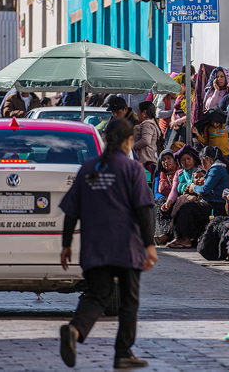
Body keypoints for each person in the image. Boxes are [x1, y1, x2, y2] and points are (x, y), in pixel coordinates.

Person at [58, 117, 157, 369]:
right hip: (127, 247)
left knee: (97, 295)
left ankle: (75, 330)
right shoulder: (134, 170)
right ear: (128, 141)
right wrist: (150, 245)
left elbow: (71, 211)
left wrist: (66, 244)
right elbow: (144, 210)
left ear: (104, 140)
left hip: (95, 246)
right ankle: (123, 352)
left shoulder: (88, 168)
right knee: (129, 300)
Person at [192, 146, 229, 216]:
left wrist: (194, 187)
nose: (202, 164)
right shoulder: (217, 168)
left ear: (207, 158)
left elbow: (205, 189)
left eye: (202, 160)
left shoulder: (217, 169)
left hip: (217, 204)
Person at [153, 149, 178, 245]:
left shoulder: (180, 172)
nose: (166, 161)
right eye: (163, 160)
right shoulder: (159, 174)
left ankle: (169, 235)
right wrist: (164, 200)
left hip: (176, 199)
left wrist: (170, 200)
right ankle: (163, 234)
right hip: (162, 200)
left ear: (175, 160)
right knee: (161, 205)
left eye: (168, 158)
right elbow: (155, 192)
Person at [133, 101, 161, 176]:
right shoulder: (148, 124)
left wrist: (131, 146)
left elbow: (146, 141)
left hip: (146, 164)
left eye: (138, 112)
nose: (137, 115)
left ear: (144, 112)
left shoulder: (147, 125)